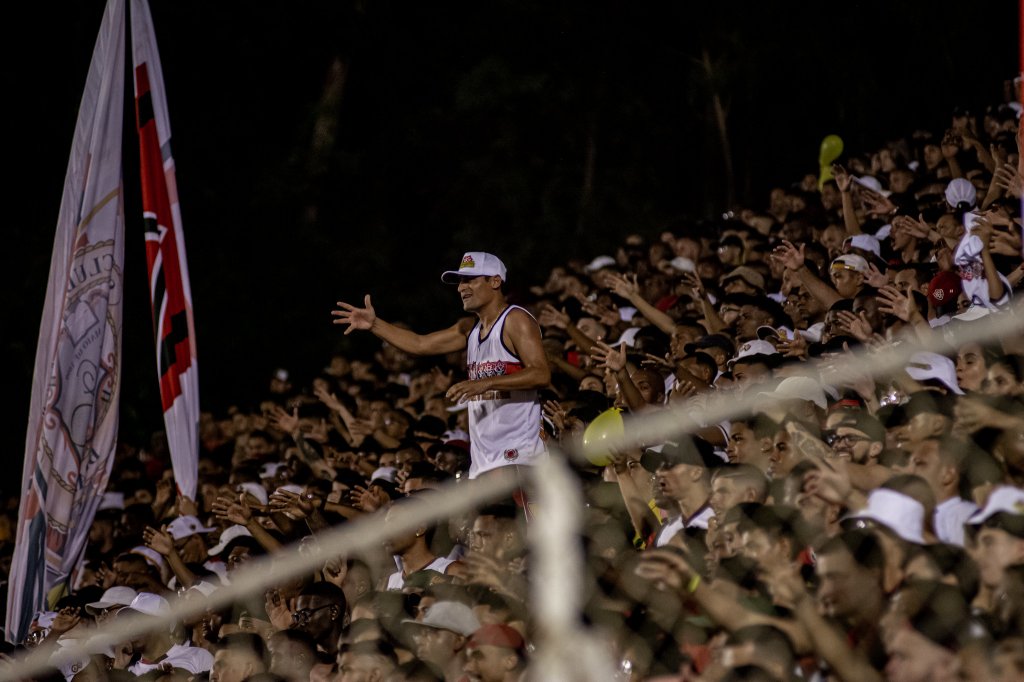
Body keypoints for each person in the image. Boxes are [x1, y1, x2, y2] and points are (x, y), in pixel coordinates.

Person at [333, 252, 551, 479]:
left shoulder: (515, 319)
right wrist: (374, 324)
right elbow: (419, 344)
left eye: (470, 280)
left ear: (495, 281)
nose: (461, 288)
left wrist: (485, 384)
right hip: (484, 461)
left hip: (521, 457)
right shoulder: (469, 329)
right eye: (460, 282)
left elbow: (541, 374)